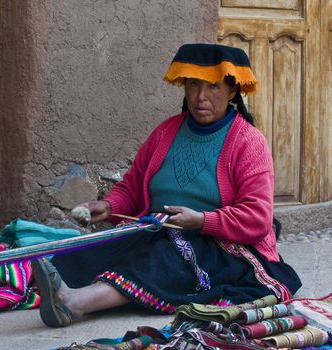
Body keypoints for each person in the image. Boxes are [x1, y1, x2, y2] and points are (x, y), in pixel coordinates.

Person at [32, 43, 302, 328]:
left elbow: (258, 218)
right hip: (158, 229)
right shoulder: (166, 132)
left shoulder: (248, 142)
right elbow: (132, 187)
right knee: (91, 252)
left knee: (163, 259)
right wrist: (109, 205)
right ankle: (53, 286)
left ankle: (74, 303)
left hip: (220, 246)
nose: (201, 97)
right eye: (194, 85)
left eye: (213, 87)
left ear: (233, 91)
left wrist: (201, 220)